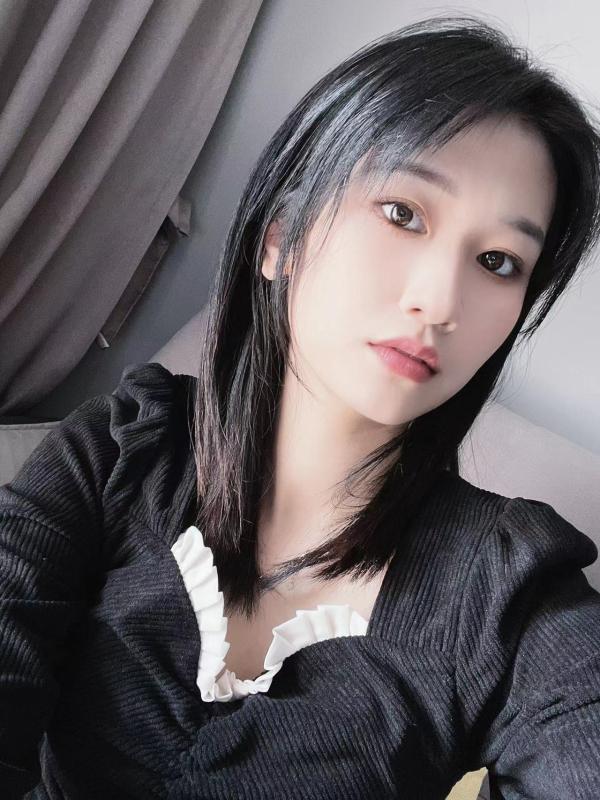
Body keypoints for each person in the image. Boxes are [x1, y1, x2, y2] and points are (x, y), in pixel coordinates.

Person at [1, 14, 599, 799]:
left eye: (498, 261)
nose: (439, 301)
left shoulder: (510, 593)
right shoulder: (124, 449)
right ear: (280, 237)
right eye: (404, 213)